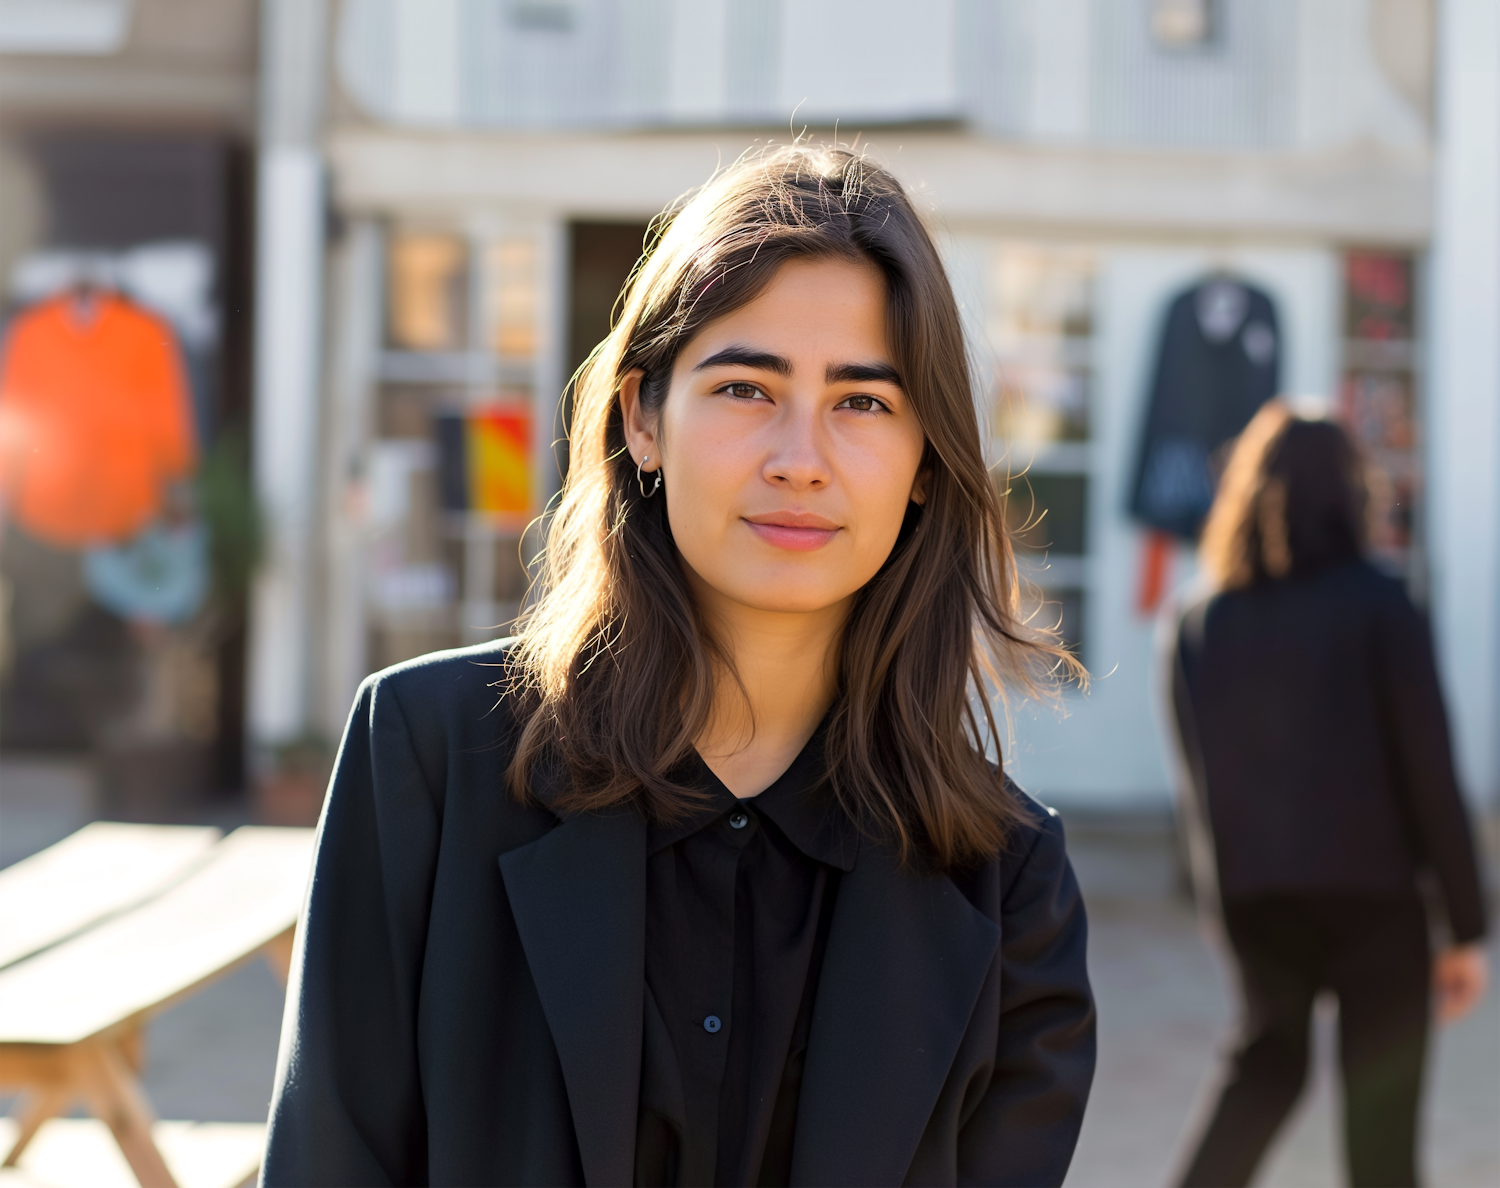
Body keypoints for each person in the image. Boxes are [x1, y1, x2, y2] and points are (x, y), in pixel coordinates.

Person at [260, 145, 1096, 1188]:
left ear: (927, 465)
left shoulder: (1011, 885)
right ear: (642, 419)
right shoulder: (427, 757)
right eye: (747, 387)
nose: (800, 457)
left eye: (863, 403)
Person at [1165, 402, 1489, 1188]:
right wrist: (1468, 923)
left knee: (1264, 1076)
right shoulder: (1381, 605)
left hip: (1258, 902)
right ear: (1353, 494)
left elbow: (1200, 791)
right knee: (1382, 1143)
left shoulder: (1199, 622)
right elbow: (1430, 770)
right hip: (1376, 903)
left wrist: (1221, 906)